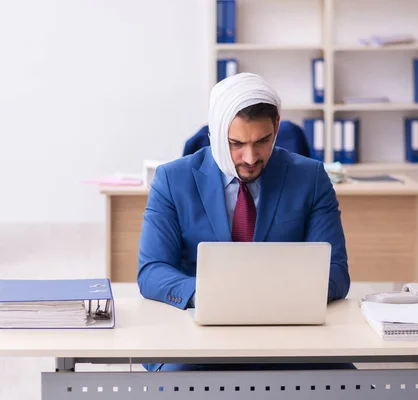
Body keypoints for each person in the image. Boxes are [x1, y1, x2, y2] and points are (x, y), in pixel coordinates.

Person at [137, 72, 351, 372]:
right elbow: (152, 271)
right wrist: (212, 296)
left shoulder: (310, 177)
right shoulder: (173, 179)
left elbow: (337, 272)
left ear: (276, 125)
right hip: (198, 335)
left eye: (262, 141)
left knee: (348, 383)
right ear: (216, 132)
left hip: (288, 330)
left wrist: (271, 297)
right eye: (236, 143)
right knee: (177, 378)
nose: (250, 157)